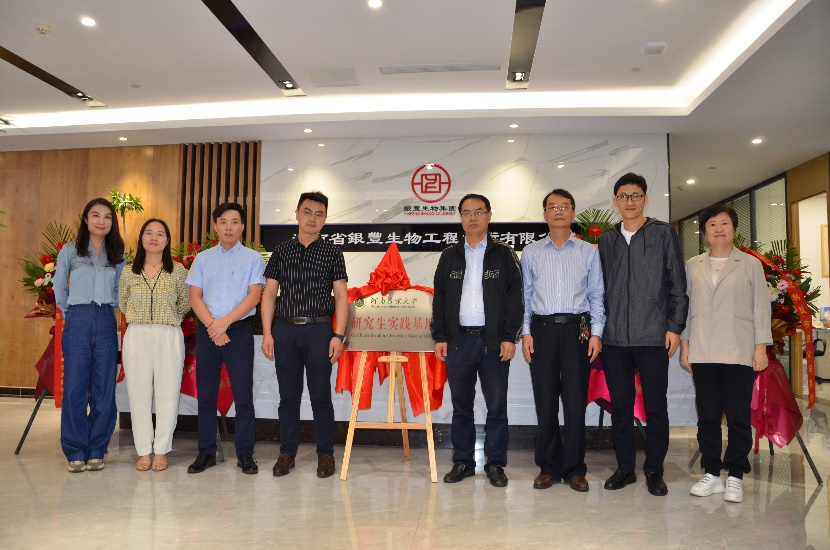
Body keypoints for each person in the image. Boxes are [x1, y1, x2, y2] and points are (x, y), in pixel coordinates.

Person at [598, 172, 688, 497]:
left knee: (655, 407)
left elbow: (677, 284)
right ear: (615, 201)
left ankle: (654, 470)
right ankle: (625, 468)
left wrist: (674, 327)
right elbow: (599, 288)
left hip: (653, 337)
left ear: (646, 199)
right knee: (620, 407)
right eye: (623, 196)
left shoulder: (663, 233)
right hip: (614, 340)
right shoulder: (607, 239)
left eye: (636, 195)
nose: (630, 201)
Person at [680, 205, 771, 504]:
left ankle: (735, 475)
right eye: (712, 224)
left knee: (738, 416)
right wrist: (685, 345)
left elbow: (761, 307)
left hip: (738, 349)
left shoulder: (750, 264)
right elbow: (686, 309)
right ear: (704, 231)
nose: (718, 229)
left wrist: (761, 346)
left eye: (724, 223)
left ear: (734, 228)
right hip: (703, 350)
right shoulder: (693, 264)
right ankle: (711, 473)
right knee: (707, 415)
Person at [431, 193, 524, 487]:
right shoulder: (449, 255)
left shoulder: (504, 254)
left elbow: (516, 298)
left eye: (479, 212)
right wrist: (440, 336)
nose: (473, 218)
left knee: (496, 407)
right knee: (461, 406)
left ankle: (495, 464)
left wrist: (510, 337)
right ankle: (463, 462)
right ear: (460, 218)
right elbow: (439, 298)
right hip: (458, 341)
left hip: (493, 342)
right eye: (467, 213)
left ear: (489, 216)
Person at [521, 189, 605, 492]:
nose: (558, 211)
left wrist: (596, 333)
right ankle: (548, 467)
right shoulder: (531, 252)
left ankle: (574, 468)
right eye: (552, 206)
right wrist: (526, 332)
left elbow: (597, 296)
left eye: (564, 206)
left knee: (574, 403)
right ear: (544, 214)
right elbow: (525, 296)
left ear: (573, 213)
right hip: (541, 331)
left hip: (577, 331)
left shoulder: (588, 252)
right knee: (545, 402)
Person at [261, 191, 348, 479]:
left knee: (321, 396)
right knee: (288, 396)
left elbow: (341, 296)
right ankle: (287, 453)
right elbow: (269, 294)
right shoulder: (281, 251)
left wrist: (338, 335)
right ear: (297, 213)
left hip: (320, 330)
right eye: (307, 212)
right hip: (285, 330)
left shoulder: (332, 252)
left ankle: (326, 454)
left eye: (319, 214)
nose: (312, 218)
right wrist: (267, 333)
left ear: (325, 219)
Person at [185, 203, 265, 475]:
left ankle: (245, 453)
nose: (229, 227)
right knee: (206, 395)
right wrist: (213, 326)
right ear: (215, 226)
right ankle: (206, 452)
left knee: (243, 395)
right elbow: (194, 296)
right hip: (208, 332)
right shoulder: (202, 259)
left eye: (234, 221)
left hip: (239, 332)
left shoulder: (253, 258)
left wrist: (224, 324)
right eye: (223, 221)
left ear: (242, 226)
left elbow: (254, 296)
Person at [53, 198, 126, 472]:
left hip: (106, 320)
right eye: (96, 215)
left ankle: (96, 449)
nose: (101, 221)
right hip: (77, 319)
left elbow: (120, 289)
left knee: (104, 389)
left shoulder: (118, 254)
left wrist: (113, 307)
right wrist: (70, 313)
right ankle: (74, 450)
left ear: (112, 222)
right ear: (86, 219)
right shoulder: (70, 251)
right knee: (74, 387)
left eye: (107, 217)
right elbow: (60, 287)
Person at [119, 218, 190, 471]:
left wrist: (166, 320)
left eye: (160, 234)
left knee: (167, 395)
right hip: (137, 334)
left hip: (168, 334)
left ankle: (161, 450)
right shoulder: (129, 271)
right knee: (138, 395)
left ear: (167, 240)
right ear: (141, 239)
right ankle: (143, 451)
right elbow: (123, 303)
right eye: (149, 233)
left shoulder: (178, 270)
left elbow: (184, 303)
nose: (154, 238)